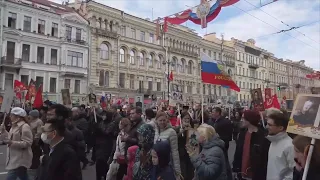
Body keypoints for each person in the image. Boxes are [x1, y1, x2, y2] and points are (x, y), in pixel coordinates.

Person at [233, 110, 270, 180]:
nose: (241, 120)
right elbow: (238, 152)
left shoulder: (263, 136)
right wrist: (235, 168)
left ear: (250, 120)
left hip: (256, 174)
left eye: (243, 118)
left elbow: (264, 158)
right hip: (241, 173)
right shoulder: (242, 133)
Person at [3, 107, 33, 180]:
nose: (10, 117)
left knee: (11, 176)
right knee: (23, 176)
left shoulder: (24, 126)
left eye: (12, 115)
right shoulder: (14, 126)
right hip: (14, 156)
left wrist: (12, 142)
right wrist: (3, 131)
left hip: (20, 158)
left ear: (18, 117)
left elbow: (28, 143)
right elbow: (10, 137)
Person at [266, 112, 295, 180]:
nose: (267, 127)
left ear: (280, 128)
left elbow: (294, 171)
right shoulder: (273, 141)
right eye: (267, 123)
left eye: (270, 125)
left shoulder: (290, 145)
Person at [154, 112, 181, 177]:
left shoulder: (171, 132)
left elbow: (174, 152)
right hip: (156, 165)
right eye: (160, 120)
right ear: (157, 121)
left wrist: (177, 170)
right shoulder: (155, 131)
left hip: (167, 165)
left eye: (164, 120)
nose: (162, 122)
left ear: (167, 120)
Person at [177, 112, 194, 180]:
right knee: (183, 172)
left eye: (188, 118)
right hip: (181, 154)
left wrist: (191, 131)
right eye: (185, 118)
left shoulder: (192, 127)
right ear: (181, 119)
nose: (187, 120)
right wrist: (180, 132)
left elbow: (194, 142)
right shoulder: (178, 128)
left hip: (190, 153)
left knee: (190, 171)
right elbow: (174, 140)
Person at [27, 110, 43, 179]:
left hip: (35, 143)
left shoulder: (39, 122)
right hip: (30, 141)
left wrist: (35, 140)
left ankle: (37, 172)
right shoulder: (30, 121)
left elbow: (39, 132)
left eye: (30, 115)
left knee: (35, 157)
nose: (29, 116)